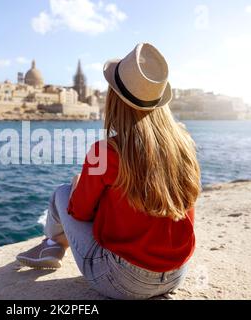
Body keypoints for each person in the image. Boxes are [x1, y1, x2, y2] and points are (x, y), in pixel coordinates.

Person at [16, 43, 201, 300]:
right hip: (176, 273)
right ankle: (51, 246)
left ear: (115, 100)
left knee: (62, 193)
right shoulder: (184, 145)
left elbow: (79, 211)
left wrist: (81, 183)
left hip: (125, 282)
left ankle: (52, 246)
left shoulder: (107, 152)